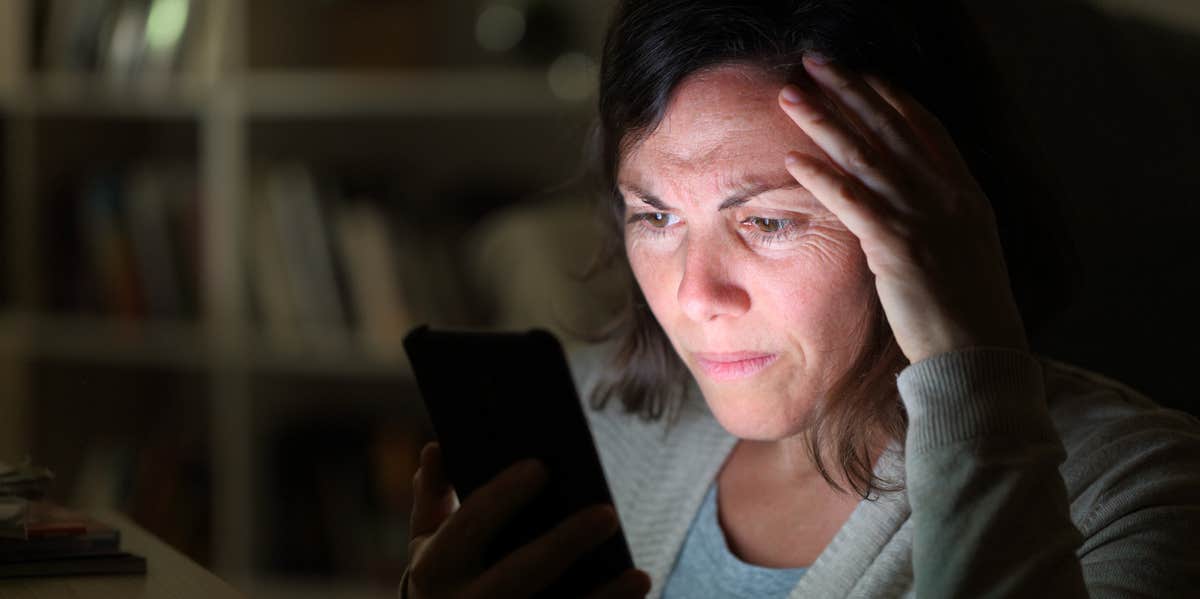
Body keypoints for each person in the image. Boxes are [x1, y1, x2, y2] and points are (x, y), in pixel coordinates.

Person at [401, 1, 1200, 597]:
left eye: (770, 220)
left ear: (941, 208)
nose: (695, 292)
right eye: (655, 215)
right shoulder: (590, 427)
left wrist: (972, 362)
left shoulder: (1137, 489)